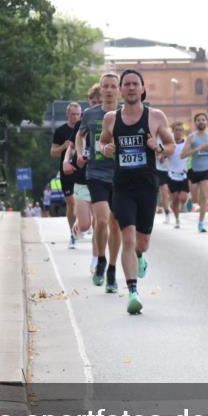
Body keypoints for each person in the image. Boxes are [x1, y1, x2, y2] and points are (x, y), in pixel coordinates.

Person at [99, 69, 174, 314]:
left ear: (142, 89)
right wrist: (105, 148)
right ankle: (133, 292)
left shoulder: (156, 116)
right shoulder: (111, 118)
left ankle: (140, 256)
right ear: (121, 90)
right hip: (122, 187)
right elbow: (102, 141)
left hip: (147, 187)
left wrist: (158, 147)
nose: (131, 88)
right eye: (127, 84)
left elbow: (171, 145)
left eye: (135, 84)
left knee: (142, 242)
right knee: (128, 238)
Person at [77, 73, 123, 292]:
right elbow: (80, 136)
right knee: (102, 220)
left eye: (113, 86)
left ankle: (112, 269)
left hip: (120, 175)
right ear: (101, 90)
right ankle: (101, 260)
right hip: (96, 173)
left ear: (119, 90)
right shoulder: (90, 114)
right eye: (106, 86)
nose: (109, 90)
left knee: (116, 224)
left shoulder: (126, 114)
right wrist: (80, 153)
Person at [68, 85, 99, 264]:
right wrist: (67, 161)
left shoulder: (112, 119)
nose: (97, 105)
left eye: (99, 102)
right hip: (82, 176)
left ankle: (96, 259)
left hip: (102, 175)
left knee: (100, 222)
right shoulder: (84, 120)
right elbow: (72, 145)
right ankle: (78, 226)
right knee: (86, 225)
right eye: (93, 102)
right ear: (89, 102)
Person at [181, 112, 208, 233]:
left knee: (204, 196)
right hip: (194, 170)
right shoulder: (191, 137)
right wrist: (198, 148)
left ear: (207, 122)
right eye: (198, 120)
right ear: (195, 123)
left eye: (203, 120)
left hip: (206, 169)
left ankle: (201, 223)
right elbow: (183, 155)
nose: (201, 122)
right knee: (195, 199)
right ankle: (192, 200)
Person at [51, 101, 84, 248]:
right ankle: (73, 233)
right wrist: (63, 147)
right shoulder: (60, 131)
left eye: (78, 114)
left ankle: (84, 224)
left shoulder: (84, 128)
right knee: (71, 202)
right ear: (67, 114)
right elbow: (53, 152)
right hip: (67, 170)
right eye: (73, 114)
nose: (75, 117)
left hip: (83, 170)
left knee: (85, 201)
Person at [166, 121, 189, 228]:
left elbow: (192, 154)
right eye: (176, 130)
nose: (178, 132)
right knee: (175, 199)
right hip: (171, 174)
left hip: (184, 174)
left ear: (183, 132)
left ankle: (180, 206)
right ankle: (177, 219)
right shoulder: (169, 144)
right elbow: (161, 152)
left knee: (183, 198)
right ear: (173, 131)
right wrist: (162, 156)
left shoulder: (187, 144)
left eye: (180, 130)